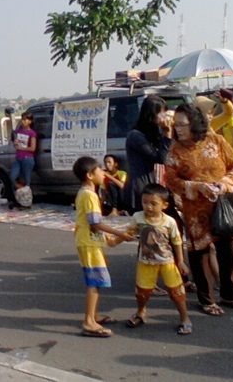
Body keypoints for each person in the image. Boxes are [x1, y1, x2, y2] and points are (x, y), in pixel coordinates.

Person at [165, 103, 233, 316]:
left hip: (222, 206)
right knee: (200, 255)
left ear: (195, 123)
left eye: (183, 124)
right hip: (195, 210)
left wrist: (223, 185)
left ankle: (230, 296)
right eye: (176, 125)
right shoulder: (175, 150)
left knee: (227, 252)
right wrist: (195, 187)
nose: (179, 129)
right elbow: (172, 180)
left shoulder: (217, 141)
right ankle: (206, 300)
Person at [72, 156, 133, 338]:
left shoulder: (86, 193)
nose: (103, 173)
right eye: (99, 170)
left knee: (96, 281)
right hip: (88, 242)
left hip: (89, 240)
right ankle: (89, 322)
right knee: (94, 282)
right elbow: (95, 223)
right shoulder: (89, 195)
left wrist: (119, 237)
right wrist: (119, 233)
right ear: (90, 175)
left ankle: (93, 316)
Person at [125, 184, 192, 335]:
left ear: (164, 205)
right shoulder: (138, 217)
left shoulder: (170, 222)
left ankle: (185, 318)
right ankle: (141, 312)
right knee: (142, 293)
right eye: (145, 202)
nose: (148, 207)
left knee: (176, 292)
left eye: (153, 204)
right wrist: (116, 239)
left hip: (167, 262)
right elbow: (129, 233)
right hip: (145, 262)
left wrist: (180, 261)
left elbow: (177, 242)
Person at [123, 95, 173, 213]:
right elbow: (161, 159)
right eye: (162, 113)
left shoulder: (152, 133)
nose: (165, 117)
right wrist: (167, 133)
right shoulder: (135, 136)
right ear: (152, 114)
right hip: (140, 187)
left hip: (151, 186)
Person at [10, 112, 37, 191]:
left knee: (26, 179)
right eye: (22, 119)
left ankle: (26, 195)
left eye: (25, 120)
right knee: (12, 176)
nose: (23, 121)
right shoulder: (18, 131)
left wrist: (21, 148)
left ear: (30, 121)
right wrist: (15, 143)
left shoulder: (32, 133)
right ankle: (21, 190)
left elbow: (33, 148)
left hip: (28, 158)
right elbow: (15, 143)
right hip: (18, 158)